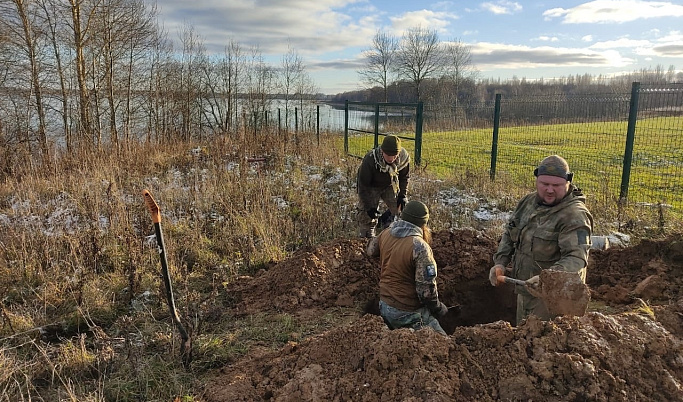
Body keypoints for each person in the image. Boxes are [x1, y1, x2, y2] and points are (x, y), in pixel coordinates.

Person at [489, 155, 594, 325]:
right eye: (545, 184)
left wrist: (548, 279)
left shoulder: (574, 216)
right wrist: (500, 262)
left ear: (567, 183)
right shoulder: (528, 202)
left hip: (555, 300)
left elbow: (577, 258)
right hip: (525, 290)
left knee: (542, 344)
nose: (550, 190)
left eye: (556, 185)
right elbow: (509, 233)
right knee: (522, 339)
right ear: (537, 180)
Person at [366, 200, 449, 335]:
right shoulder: (420, 247)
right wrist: (439, 308)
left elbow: (370, 251)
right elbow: (426, 293)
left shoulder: (386, 233)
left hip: (384, 306)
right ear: (423, 223)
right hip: (408, 313)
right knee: (446, 346)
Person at [356, 135, 410, 238]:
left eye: (395, 155)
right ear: (382, 151)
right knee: (366, 213)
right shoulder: (370, 160)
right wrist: (369, 207)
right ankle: (367, 235)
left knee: (402, 208)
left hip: (390, 184)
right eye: (388, 155)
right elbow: (363, 186)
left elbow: (404, 178)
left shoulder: (404, 159)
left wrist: (402, 195)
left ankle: (396, 230)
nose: (391, 159)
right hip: (371, 186)